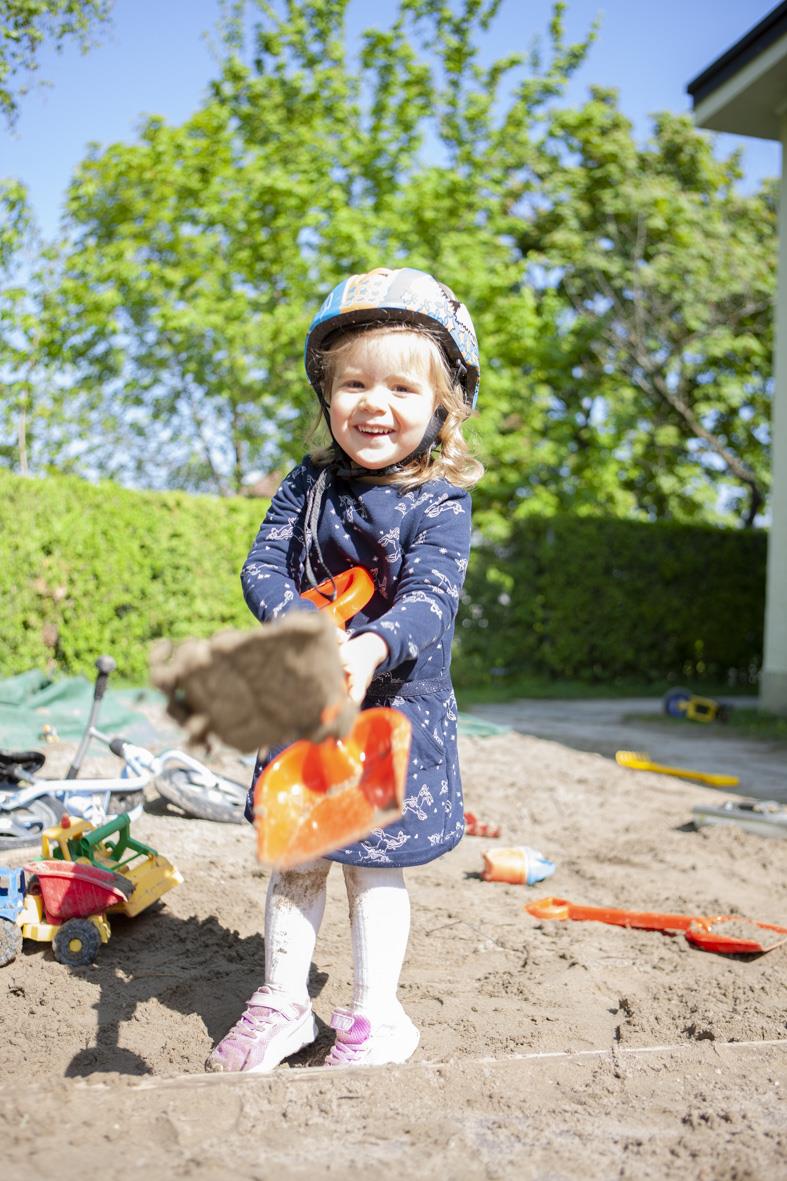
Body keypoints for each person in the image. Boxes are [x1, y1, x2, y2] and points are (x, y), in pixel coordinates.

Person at [206, 266, 483, 1073]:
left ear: (443, 404)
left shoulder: (439, 502)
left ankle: (375, 1013)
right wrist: (303, 623)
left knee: (372, 863)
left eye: (401, 386)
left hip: (390, 710)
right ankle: (283, 1001)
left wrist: (368, 646)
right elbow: (263, 565)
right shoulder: (310, 482)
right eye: (353, 381)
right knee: (298, 855)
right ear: (326, 392)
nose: (374, 402)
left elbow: (432, 601)